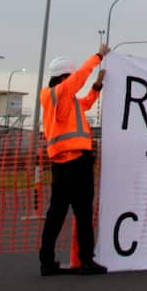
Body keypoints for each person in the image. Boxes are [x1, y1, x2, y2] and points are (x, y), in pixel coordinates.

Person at [38, 42, 108, 276]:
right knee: (82, 213)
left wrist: (97, 87)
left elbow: (85, 103)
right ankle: (86, 261)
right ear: (63, 77)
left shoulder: (62, 100)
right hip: (74, 164)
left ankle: (48, 262)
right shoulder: (58, 93)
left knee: (57, 214)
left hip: (64, 164)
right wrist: (98, 56)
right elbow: (79, 77)